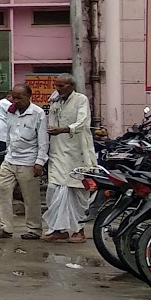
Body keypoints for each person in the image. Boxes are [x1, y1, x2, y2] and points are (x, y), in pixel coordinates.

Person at [44, 73, 98, 242]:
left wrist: (63, 129)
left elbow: (83, 122)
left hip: (77, 151)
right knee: (54, 189)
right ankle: (58, 229)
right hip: (57, 150)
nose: (57, 89)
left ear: (71, 86)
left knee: (77, 191)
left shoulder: (81, 100)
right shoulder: (55, 100)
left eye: (61, 86)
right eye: (56, 85)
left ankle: (78, 230)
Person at [0, 85, 48, 241]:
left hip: (28, 161)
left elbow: (43, 141)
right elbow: (9, 135)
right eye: (13, 97)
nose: (15, 101)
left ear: (29, 96)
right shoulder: (10, 112)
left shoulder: (38, 113)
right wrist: (7, 153)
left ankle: (34, 229)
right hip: (10, 159)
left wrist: (40, 162)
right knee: (2, 192)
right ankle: (5, 227)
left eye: (19, 98)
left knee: (30, 197)